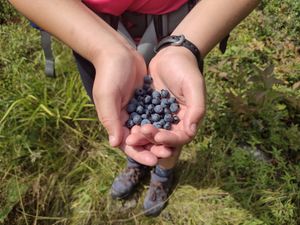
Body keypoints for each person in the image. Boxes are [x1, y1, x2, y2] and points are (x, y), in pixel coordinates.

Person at [9, 0, 260, 216]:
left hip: (182, 22)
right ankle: (136, 162)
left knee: (174, 121)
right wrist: (104, 50)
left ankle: (163, 173)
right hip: (87, 27)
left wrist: (186, 48)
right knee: (125, 116)